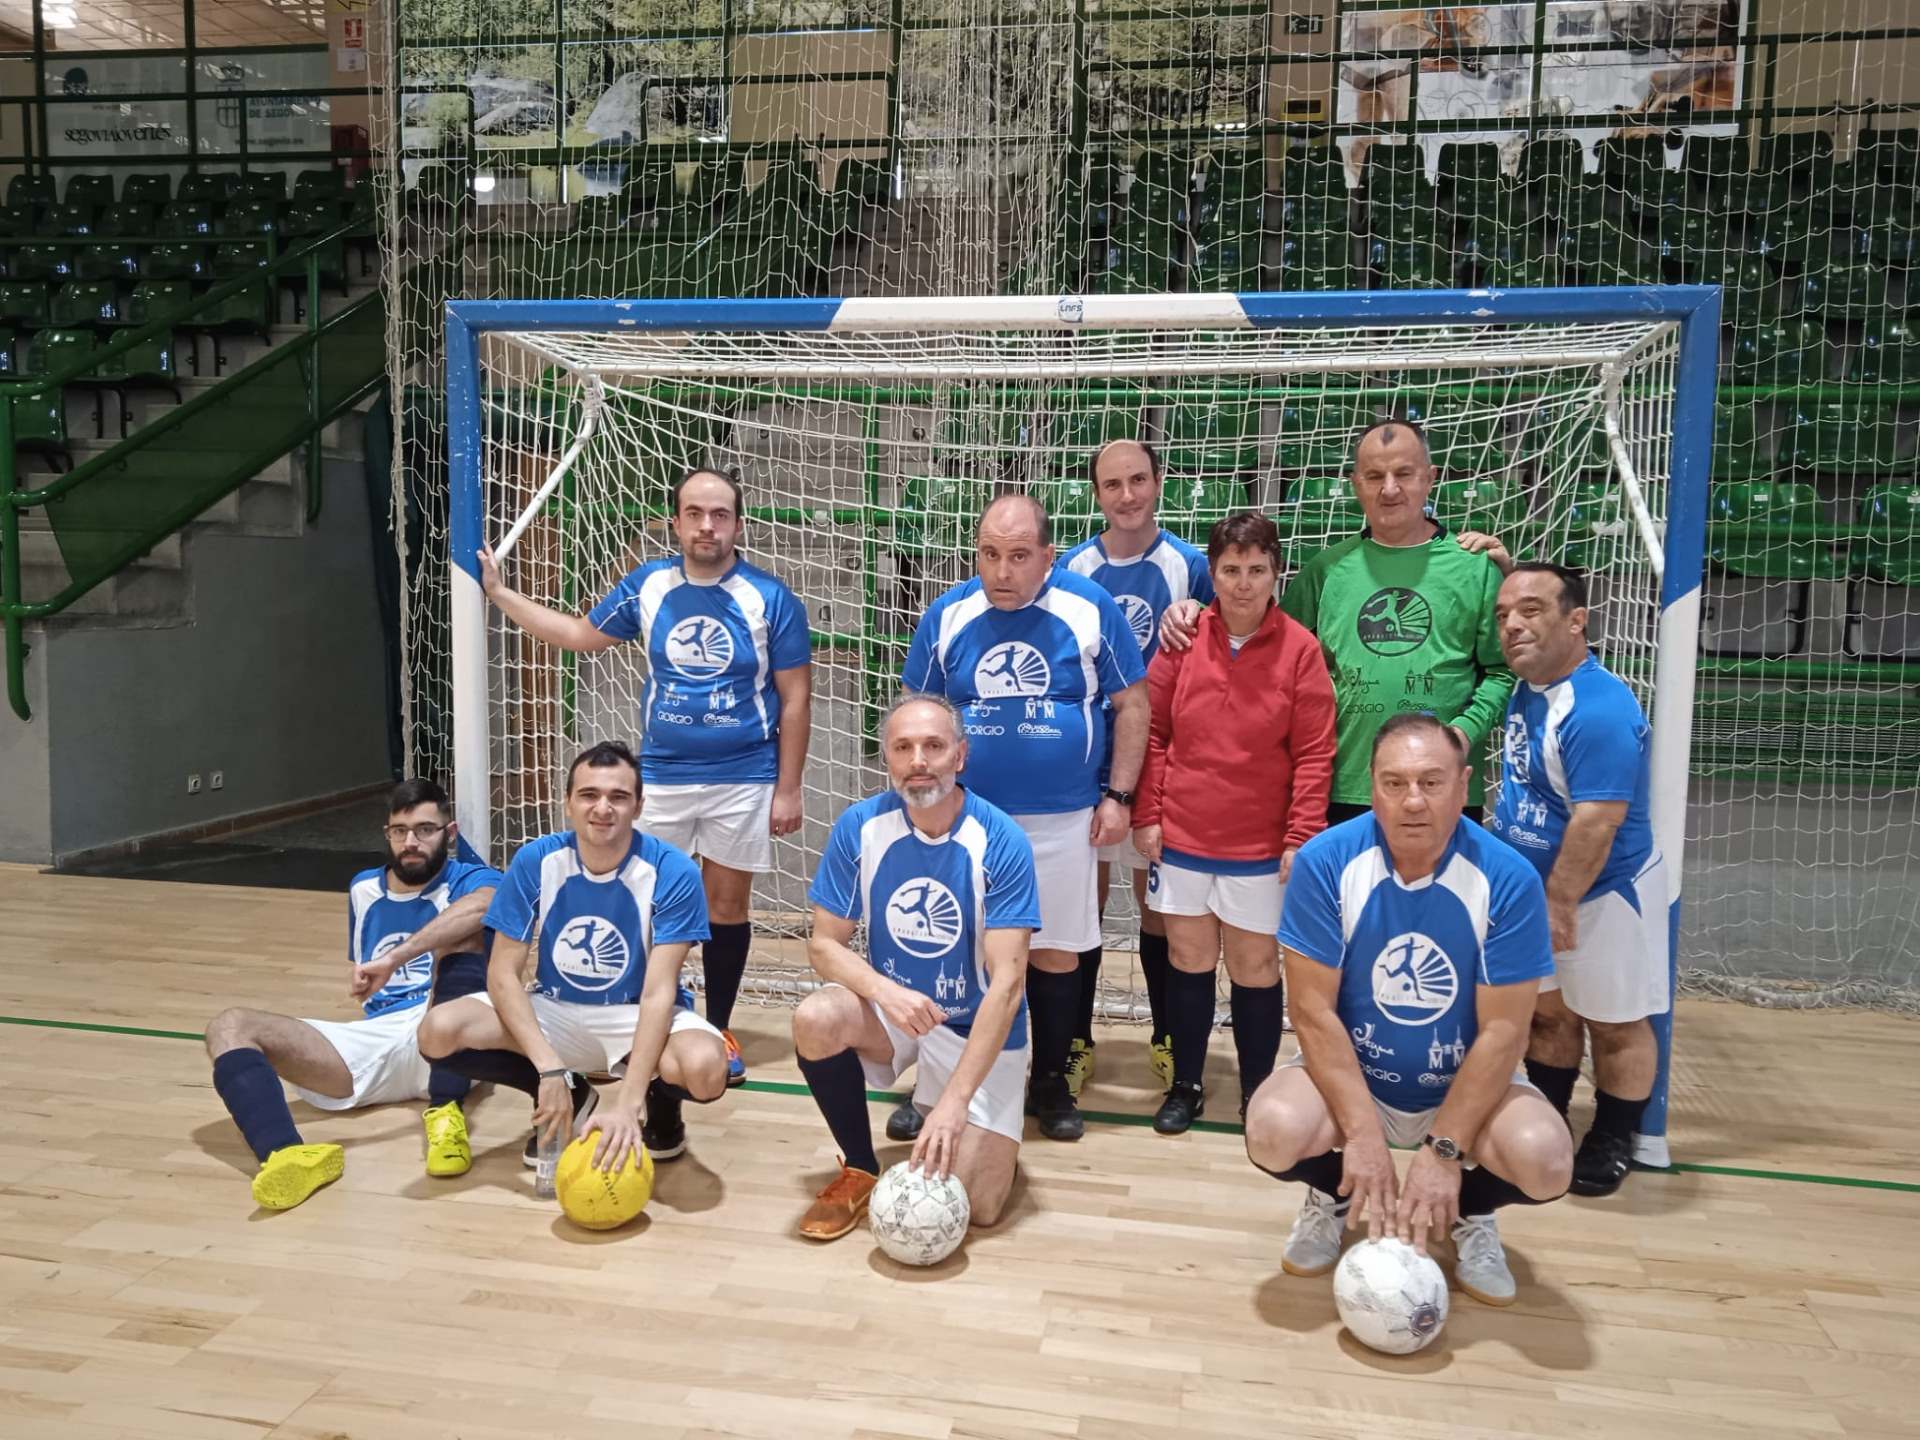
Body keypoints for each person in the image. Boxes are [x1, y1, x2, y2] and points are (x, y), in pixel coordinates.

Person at [476, 467, 812, 1086]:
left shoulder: (770, 596)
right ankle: (656, 1014)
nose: (707, 525)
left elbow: (795, 698)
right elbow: (579, 635)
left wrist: (788, 787)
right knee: (649, 902)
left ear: (738, 524)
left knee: (726, 906)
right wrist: (501, 595)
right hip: (661, 775)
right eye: (694, 513)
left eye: (720, 514)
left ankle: (719, 1023)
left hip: (745, 774)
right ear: (676, 520)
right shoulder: (648, 585)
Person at [1243, 714, 1572, 1307]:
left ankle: (1470, 1210)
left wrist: (1445, 1149)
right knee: (1271, 1130)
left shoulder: (1508, 878)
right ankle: (1332, 1196)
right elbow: (1312, 1011)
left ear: (1465, 784)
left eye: (1431, 782)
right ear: (1370, 785)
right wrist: (1365, 1136)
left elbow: (1503, 1030)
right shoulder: (1325, 862)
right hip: (1356, 1081)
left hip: (1464, 1083)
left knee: (1547, 1160)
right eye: (1393, 783)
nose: (1412, 801)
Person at [902, 493, 1148, 1141]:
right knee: (954, 950)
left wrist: (1119, 796)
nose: (1001, 571)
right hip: (964, 822)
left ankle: (1050, 1081)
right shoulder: (948, 615)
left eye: (1018, 557)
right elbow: (918, 714)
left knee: (1056, 955)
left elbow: (1134, 704)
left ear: (1047, 554)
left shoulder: (1088, 607)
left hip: (1062, 820)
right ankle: (939, 1083)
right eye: (989, 555)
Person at [1161, 419, 1513, 823]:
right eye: (1375, 476)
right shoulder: (1326, 570)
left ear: (1430, 478)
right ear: (1355, 484)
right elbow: (1260, 639)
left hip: (1440, 784)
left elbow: (1502, 672)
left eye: (1404, 474)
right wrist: (1194, 613)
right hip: (1345, 785)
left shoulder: (1475, 567)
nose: (1390, 489)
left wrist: (1463, 732)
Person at [791, 693, 1040, 1239]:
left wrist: (954, 1105)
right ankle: (859, 1165)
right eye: (903, 747)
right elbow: (823, 946)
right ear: (887, 757)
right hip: (900, 1018)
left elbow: (1008, 987)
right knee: (816, 1016)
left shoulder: (1001, 841)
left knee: (978, 1207)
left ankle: (973, 1120)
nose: (918, 761)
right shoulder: (860, 827)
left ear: (961, 755)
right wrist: (887, 993)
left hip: (979, 1029)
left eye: (933, 745)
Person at [416, 741, 728, 1173]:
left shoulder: (675, 871)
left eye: (619, 797)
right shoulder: (535, 860)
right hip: (556, 1008)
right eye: (589, 795)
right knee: (438, 1029)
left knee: (706, 1069)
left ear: (638, 806)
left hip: (636, 1012)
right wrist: (549, 1071)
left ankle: (659, 1106)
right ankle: (571, 1093)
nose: (603, 808)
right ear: (568, 803)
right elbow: (502, 974)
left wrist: (627, 1103)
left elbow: (659, 993)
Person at [204, 780, 500, 1211]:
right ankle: (286, 1154)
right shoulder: (363, 888)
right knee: (229, 1025)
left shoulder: (473, 879)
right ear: (387, 834)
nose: (410, 842)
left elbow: (483, 907)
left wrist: (396, 959)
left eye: (425, 830)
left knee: (465, 939)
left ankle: (444, 1108)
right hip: (380, 1040)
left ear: (450, 834)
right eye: (399, 831)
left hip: (453, 1035)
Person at [1131, 513, 1337, 1133]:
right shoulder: (1180, 641)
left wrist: (1301, 835)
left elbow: (1314, 753)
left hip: (1259, 845)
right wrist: (1148, 813)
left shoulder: (1301, 650)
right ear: (1212, 575)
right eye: (1230, 571)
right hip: (1184, 838)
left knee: (1254, 969)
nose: (1243, 584)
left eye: (1256, 570)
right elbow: (1156, 732)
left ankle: (1257, 1092)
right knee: (1189, 962)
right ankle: (1187, 1086)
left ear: (1277, 572)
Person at [1489, 562, 1669, 1198]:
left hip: (1601, 892)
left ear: (1577, 620)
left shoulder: (1596, 709)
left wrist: (1560, 901)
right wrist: (1510, 568)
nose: (1512, 624)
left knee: (1614, 1022)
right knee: (1547, 1016)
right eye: (1505, 615)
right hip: (1534, 893)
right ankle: (1550, 1122)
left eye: (1531, 611)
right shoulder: (1534, 683)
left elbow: (1598, 821)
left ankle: (1616, 1137)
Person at [1055, 439, 1214, 1095]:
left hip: (1165, 766)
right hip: (1092, 762)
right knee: (1079, 908)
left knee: (1161, 912)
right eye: (1113, 484)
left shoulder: (1191, 565)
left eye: (1138, 480)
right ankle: (1075, 1040)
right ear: (1096, 493)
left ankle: (1168, 1035)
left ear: (1158, 482)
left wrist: (1200, 612)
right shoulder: (1073, 566)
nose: (1127, 495)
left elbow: (1221, 644)